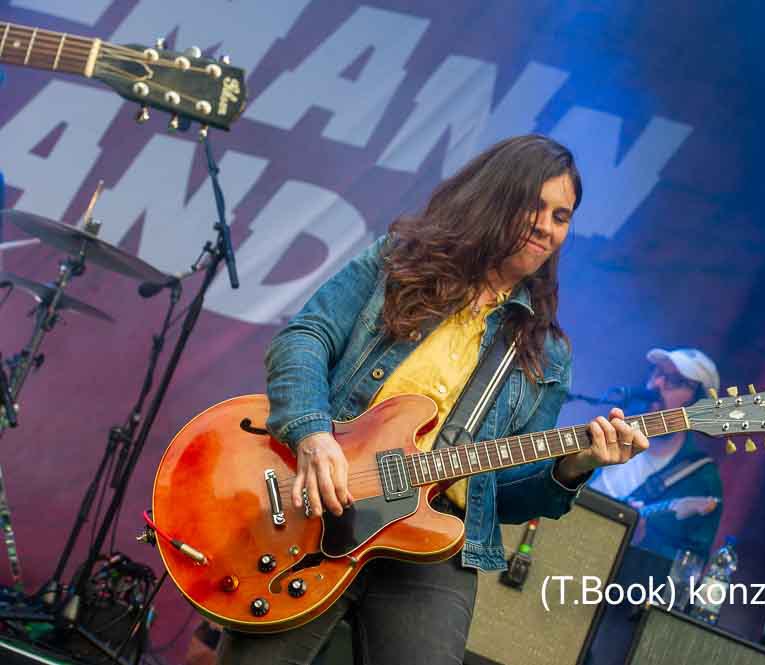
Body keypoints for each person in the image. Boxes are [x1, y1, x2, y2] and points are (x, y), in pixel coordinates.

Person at [216, 135, 650, 665]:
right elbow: (305, 337)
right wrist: (312, 434)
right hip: (322, 501)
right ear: (495, 197)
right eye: (533, 207)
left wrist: (573, 465)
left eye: (561, 217)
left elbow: (504, 494)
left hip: (432, 540)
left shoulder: (546, 353)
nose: (547, 227)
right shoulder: (398, 263)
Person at [586, 347, 723, 664]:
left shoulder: (701, 479)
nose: (657, 384)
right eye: (657, 374)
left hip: (611, 616)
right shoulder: (611, 431)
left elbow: (688, 573)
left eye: (674, 381)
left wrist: (642, 543)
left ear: (697, 404)